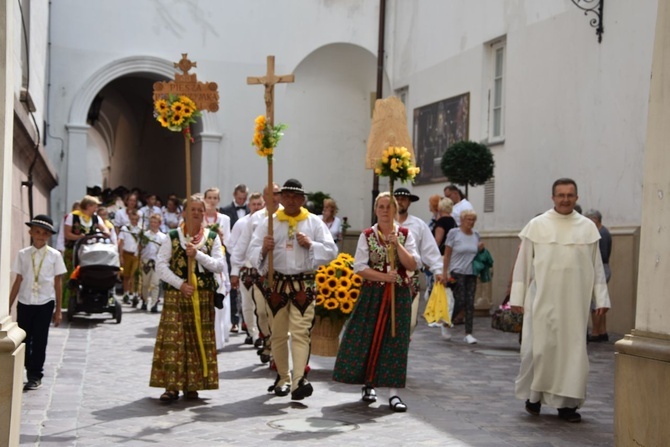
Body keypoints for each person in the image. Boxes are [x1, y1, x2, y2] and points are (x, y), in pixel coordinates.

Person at [510, 178, 610, 423]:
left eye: (570, 195)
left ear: (576, 198)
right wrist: (517, 297)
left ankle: (567, 405)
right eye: (561, 195)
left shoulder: (587, 227)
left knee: (572, 353)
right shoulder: (537, 225)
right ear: (552, 197)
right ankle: (534, 396)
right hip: (541, 299)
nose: (565, 199)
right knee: (538, 350)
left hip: (574, 304)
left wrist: (601, 298)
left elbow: (597, 266)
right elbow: (523, 265)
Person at [248, 179, 338, 400]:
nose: (290, 200)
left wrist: (311, 245)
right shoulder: (269, 223)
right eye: (286, 196)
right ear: (280, 198)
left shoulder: (313, 222)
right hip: (276, 283)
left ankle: (299, 380)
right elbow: (251, 254)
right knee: (278, 334)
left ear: (302, 199)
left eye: (295, 197)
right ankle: (282, 377)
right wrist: (263, 248)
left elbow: (331, 251)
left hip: (302, 283)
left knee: (300, 333)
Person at [333, 192, 419, 412]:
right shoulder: (367, 235)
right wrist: (383, 277)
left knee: (395, 341)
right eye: (380, 206)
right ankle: (368, 383)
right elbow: (360, 267)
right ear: (375, 210)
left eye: (388, 206)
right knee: (368, 336)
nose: (384, 210)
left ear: (395, 210)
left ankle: (393, 393)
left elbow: (412, 265)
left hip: (398, 295)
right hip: (373, 294)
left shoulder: (406, 234)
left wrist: (397, 245)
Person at [151, 194, 225, 402]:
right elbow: (161, 265)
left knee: (197, 339)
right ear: (184, 212)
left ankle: (194, 384)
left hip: (202, 296)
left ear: (204, 213)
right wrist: (180, 284)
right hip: (178, 295)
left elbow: (219, 265)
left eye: (199, 209)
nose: (196, 213)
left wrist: (198, 254)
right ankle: (171, 386)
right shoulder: (173, 236)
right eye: (192, 209)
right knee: (175, 340)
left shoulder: (212, 237)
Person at [10, 215, 67, 391]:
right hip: (25, 301)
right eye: (37, 232)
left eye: (45, 233)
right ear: (31, 232)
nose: (41, 236)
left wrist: (58, 310)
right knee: (24, 338)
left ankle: (35, 375)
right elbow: (18, 279)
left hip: (45, 302)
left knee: (40, 339)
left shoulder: (55, 255)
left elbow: (57, 283)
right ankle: (26, 367)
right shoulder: (23, 254)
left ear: (49, 236)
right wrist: (8, 304)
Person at [231, 184, 282, 364]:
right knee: (260, 311)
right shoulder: (255, 219)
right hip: (259, 273)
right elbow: (242, 246)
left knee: (277, 314)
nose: (273, 197)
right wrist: (235, 270)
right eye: (269, 194)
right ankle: (267, 338)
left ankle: (277, 351)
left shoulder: (287, 216)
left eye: (276, 194)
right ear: (264, 197)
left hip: (281, 274)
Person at [393, 188, 443, 333]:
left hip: (409, 277)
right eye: (397, 198)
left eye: (403, 199)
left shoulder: (418, 225)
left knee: (410, 322)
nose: (400, 201)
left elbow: (430, 249)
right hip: (387, 276)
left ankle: (403, 345)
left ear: (409, 202)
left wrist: (438, 270)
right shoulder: (385, 224)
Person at [227, 192, 265, 346]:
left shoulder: (268, 222)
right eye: (253, 204)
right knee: (247, 305)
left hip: (262, 270)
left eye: (259, 204)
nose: (256, 207)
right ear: (249, 205)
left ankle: (265, 335)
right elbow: (232, 246)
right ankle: (253, 334)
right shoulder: (241, 223)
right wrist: (235, 271)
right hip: (246, 269)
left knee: (262, 307)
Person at [441, 209, 483, 344]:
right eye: (468, 219)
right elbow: (447, 254)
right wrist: (444, 272)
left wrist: (480, 249)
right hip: (457, 271)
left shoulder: (476, 235)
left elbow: (476, 255)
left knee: (470, 303)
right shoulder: (454, 233)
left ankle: (468, 333)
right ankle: (447, 323)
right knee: (460, 300)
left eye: (473, 220)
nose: (470, 222)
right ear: (462, 220)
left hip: (471, 272)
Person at [584, 209, 612, 342]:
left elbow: (603, 255)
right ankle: (602, 331)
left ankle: (596, 332)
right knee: (599, 302)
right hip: (602, 267)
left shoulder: (601, 233)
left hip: (600, 268)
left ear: (595, 219)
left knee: (595, 303)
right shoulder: (602, 231)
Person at [139, 213, 168, 312]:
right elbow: (140, 248)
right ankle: (144, 300)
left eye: (155, 222)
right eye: (151, 222)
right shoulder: (145, 235)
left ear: (159, 224)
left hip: (157, 262)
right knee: (145, 283)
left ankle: (154, 302)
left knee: (155, 283)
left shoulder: (163, 237)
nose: (153, 224)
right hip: (146, 261)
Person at [118, 209, 142, 305]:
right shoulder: (125, 228)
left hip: (136, 255)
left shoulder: (140, 230)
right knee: (126, 276)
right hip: (126, 254)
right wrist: (120, 256)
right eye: (132, 219)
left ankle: (135, 294)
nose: (134, 221)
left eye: (136, 219)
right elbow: (121, 242)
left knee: (135, 275)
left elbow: (141, 243)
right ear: (129, 218)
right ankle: (126, 294)